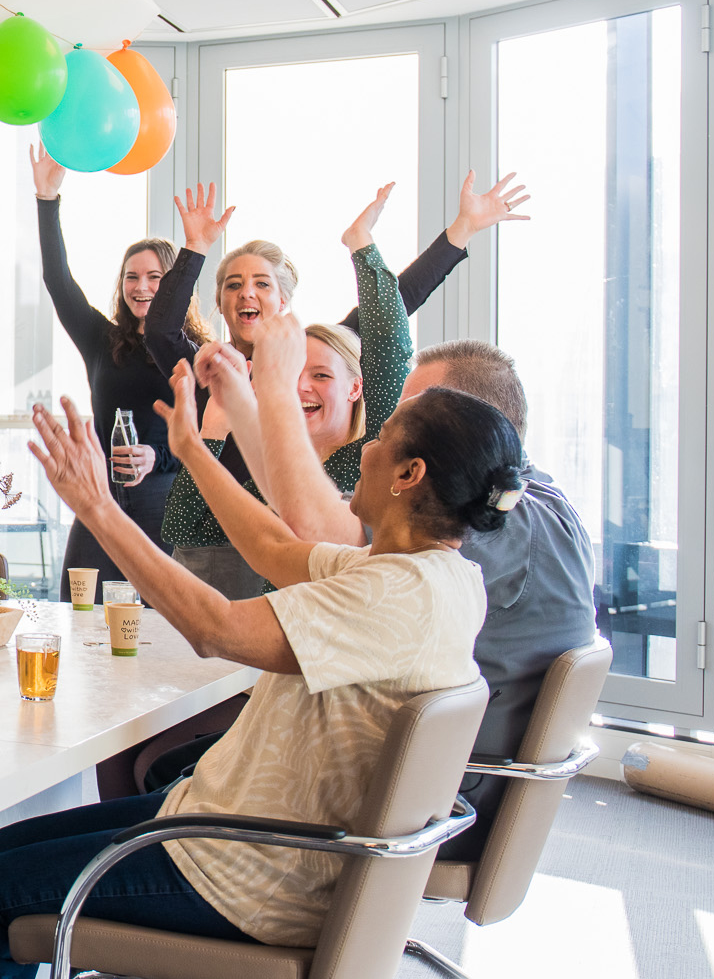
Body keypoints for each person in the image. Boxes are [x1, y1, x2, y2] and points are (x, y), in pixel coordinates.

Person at [0, 376, 518, 979]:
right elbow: (275, 548)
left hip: (243, 869)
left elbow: (215, 627)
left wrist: (99, 506)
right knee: (6, 856)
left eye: (381, 439)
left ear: (409, 473)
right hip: (239, 833)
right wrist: (191, 447)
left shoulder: (393, 594)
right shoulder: (429, 577)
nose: (364, 447)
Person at [229, 323, 597, 866]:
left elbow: (315, 528)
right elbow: (306, 519)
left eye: (415, 416)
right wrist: (240, 404)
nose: (392, 433)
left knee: (196, 769)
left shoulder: (500, 529)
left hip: (431, 810)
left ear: (464, 425)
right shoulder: (541, 503)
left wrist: (276, 389)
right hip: (455, 784)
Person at [147, 176, 528, 595]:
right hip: (233, 539)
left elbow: (393, 313)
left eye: (261, 284)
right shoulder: (214, 370)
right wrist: (196, 247)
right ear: (219, 302)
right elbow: (161, 330)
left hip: (291, 546)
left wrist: (459, 232)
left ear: (284, 302)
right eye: (233, 285)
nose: (245, 294)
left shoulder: (319, 350)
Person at [33, 144, 207, 578]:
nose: (141, 287)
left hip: (164, 495)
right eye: (132, 276)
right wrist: (46, 200)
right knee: (81, 605)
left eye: (154, 277)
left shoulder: (195, 352)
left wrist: (157, 456)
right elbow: (58, 281)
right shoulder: (101, 339)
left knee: (161, 617)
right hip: (103, 494)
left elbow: (209, 435)